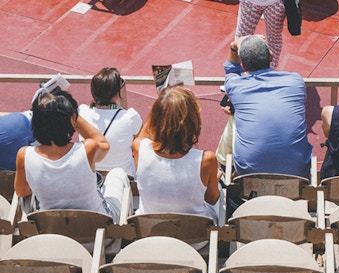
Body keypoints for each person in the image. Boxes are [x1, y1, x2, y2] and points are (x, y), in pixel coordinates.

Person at [14, 89, 129, 221]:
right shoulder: (87, 149)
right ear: (72, 119)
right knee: (118, 173)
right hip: (98, 231)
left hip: (52, 230)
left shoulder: (24, 155)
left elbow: (22, 192)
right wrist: (73, 117)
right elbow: (104, 144)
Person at [223, 34, 312, 177]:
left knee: (233, 123)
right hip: (296, 175)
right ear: (271, 57)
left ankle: (224, 169)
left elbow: (231, 69)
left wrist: (234, 47)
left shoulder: (236, 86)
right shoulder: (295, 81)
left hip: (249, 176)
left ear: (244, 66)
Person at [132, 86, 221, 222]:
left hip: (149, 232)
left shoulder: (139, 148)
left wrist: (161, 105)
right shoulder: (206, 159)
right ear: (193, 122)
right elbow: (212, 199)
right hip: (195, 239)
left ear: (155, 118)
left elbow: (142, 136)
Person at [78, 67, 142, 177]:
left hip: (92, 176)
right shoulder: (130, 117)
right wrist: (123, 96)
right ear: (116, 93)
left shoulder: (82, 113)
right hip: (124, 176)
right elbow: (139, 140)